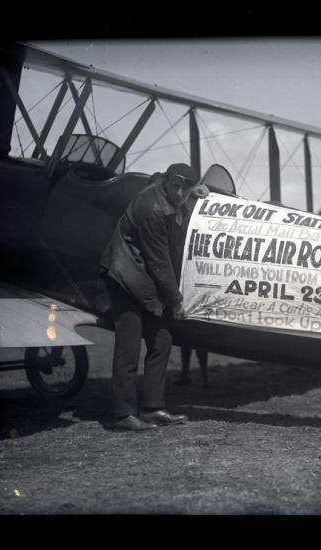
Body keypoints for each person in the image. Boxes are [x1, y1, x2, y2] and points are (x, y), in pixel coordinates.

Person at [100, 162, 200, 431]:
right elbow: (159, 262)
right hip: (125, 275)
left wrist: (199, 190)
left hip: (144, 278)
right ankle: (123, 415)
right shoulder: (153, 209)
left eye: (186, 188)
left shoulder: (166, 190)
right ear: (167, 183)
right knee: (128, 346)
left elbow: (159, 178)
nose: (180, 193)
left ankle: (152, 408)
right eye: (175, 186)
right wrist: (176, 300)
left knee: (162, 339)